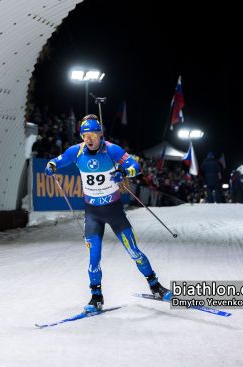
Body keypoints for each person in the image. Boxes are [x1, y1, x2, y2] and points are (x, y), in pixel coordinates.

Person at [44, 114, 172, 313]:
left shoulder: (112, 149)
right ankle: (96, 296)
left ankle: (155, 285)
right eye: (85, 135)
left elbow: (135, 166)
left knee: (134, 251)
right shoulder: (75, 151)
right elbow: (56, 161)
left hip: (114, 211)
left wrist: (123, 172)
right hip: (93, 214)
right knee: (94, 257)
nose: (89, 139)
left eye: (93, 134)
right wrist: (51, 166)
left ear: (100, 134)